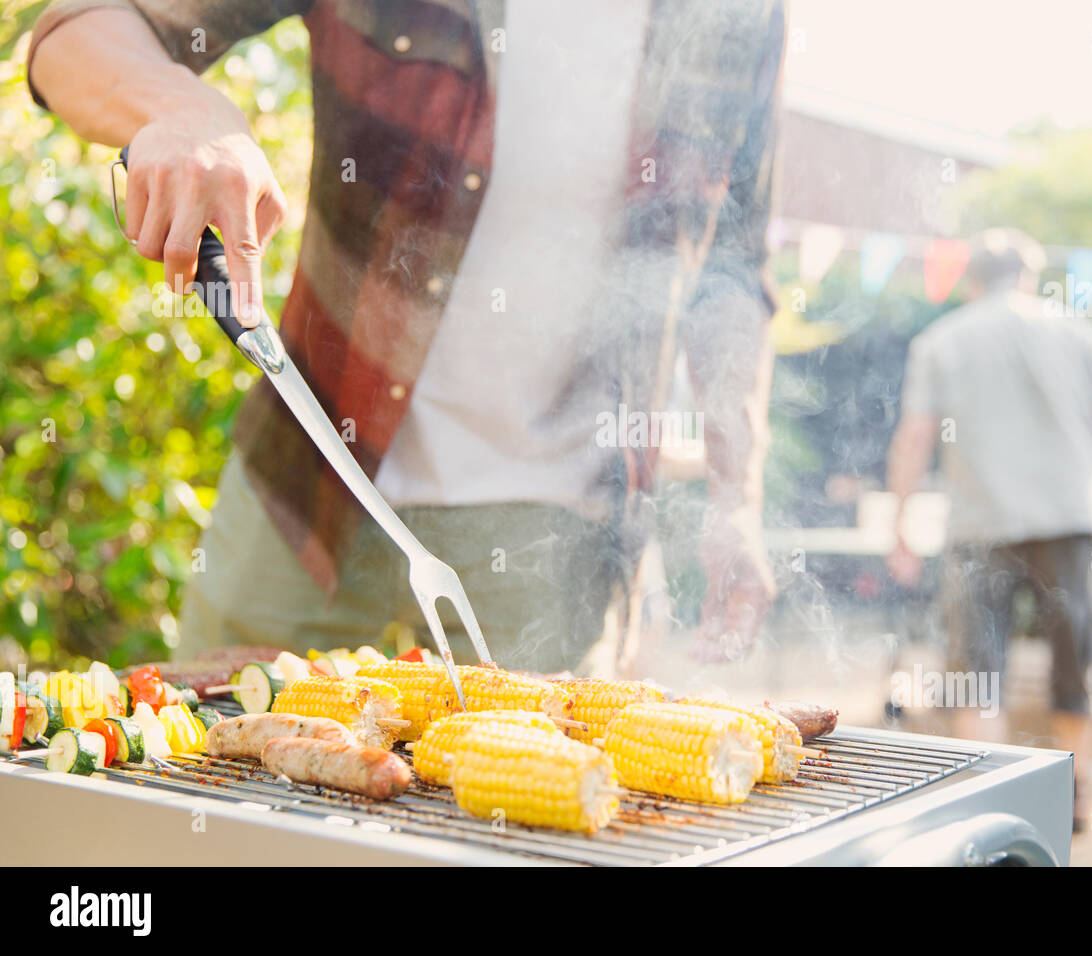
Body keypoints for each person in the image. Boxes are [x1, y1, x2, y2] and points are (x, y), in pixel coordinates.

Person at [28, 0, 784, 671]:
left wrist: (735, 500)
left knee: (520, 819)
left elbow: (734, 270)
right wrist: (185, 109)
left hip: (556, 529)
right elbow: (75, 29)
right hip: (313, 468)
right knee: (212, 772)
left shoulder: (740, 17)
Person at [885, 228, 1092, 829]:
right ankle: (1075, 796)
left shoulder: (941, 340)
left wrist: (900, 525)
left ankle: (991, 803)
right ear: (1029, 277)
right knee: (1076, 662)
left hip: (977, 525)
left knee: (977, 671)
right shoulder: (1068, 328)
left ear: (971, 280)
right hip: (1069, 521)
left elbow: (914, 436)